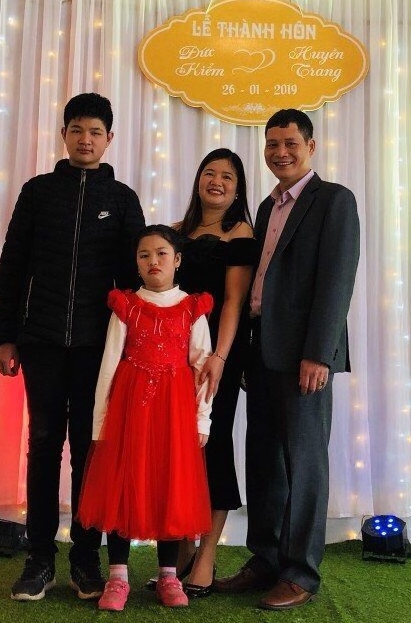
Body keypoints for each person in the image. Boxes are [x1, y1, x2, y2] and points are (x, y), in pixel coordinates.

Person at [0, 93, 145, 602]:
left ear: (109, 139)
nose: (85, 139)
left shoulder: (122, 200)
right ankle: (39, 559)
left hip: (98, 349)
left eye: (95, 131)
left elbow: (133, 280)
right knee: (42, 445)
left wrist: (135, 344)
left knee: (89, 450)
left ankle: (84, 558)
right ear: (63, 134)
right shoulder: (38, 192)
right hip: (40, 341)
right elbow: (13, 265)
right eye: (77, 129)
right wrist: (6, 335)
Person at [214, 109, 360, 610]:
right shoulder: (266, 205)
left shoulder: (334, 200)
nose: (280, 152)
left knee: (304, 464)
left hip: (304, 356)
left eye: (290, 143)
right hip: (262, 350)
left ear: (310, 146)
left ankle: (300, 573)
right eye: (272, 144)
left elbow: (336, 282)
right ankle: (266, 559)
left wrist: (319, 353)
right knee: (263, 461)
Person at [77, 225, 214, 611]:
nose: (153, 261)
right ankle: (117, 576)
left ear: (177, 260)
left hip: (175, 413)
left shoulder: (192, 308)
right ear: (136, 263)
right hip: (129, 410)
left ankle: (169, 575)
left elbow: (202, 368)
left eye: (161, 253)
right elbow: (109, 365)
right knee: (123, 485)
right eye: (144, 255)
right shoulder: (126, 305)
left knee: (170, 485)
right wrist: (100, 422)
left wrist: (202, 420)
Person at [170, 148, 256, 597]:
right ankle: (182, 549)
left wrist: (220, 358)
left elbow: (234, 302)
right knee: (182, 450)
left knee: (214, 444)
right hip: (174, 355)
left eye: (227, 176)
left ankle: (206, 554)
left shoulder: (239, 232)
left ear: (238, 189)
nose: (216, 181)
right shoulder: (176, 231)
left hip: (217, 355)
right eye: (209, 172)